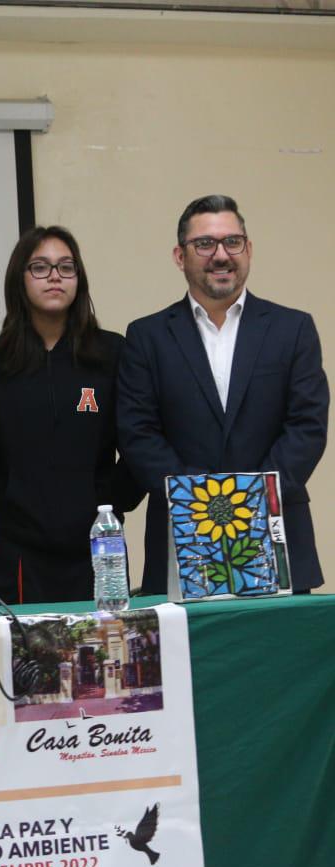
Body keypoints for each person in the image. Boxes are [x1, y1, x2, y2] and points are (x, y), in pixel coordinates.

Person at [118, 194, 328, 594]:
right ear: (180, 256)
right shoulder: (147, 337)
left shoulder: (293, 329)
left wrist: (249, 501)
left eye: (232, 242)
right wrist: (202, 503)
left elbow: (307, 426)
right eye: (205, 244)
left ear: (248, 250)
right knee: (193, 657)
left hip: (277, 531)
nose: (221, 255)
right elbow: (137, 433)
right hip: (181, 541)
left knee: (278, 657)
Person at [0, 227, 143, 604]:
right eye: (40, 267)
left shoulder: (113, 354)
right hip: (17, 550)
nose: (55, 276)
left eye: (66, 267)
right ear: (19, 279)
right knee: (27, 660)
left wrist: (109, 499)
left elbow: (140, 439)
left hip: (97, 546)